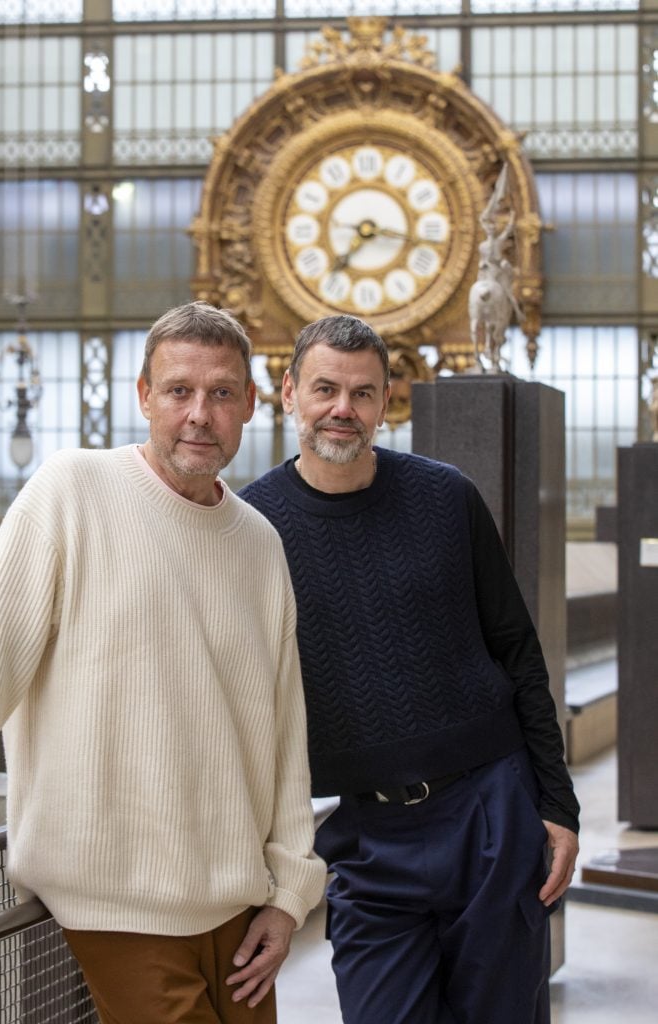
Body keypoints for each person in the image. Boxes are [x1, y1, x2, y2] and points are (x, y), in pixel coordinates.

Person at [0, 301, 326, 1024]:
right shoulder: (71, 491)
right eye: (179, 391)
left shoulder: (259, 541)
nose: (198, 415)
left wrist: (288, 895)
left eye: (220, 394)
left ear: (250, 403)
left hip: (237, 907)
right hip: (117, 898)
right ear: (144, 395)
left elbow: (282, 737)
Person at [239, 314, 580, 1024]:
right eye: (325, 388)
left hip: (488, 808)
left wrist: (556, 804)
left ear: (387, 399)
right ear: (287, 392)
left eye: (363, 393)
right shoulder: (251, 529)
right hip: (364, 837)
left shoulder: (445, 496)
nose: (343, 408)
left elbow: (517, 649)